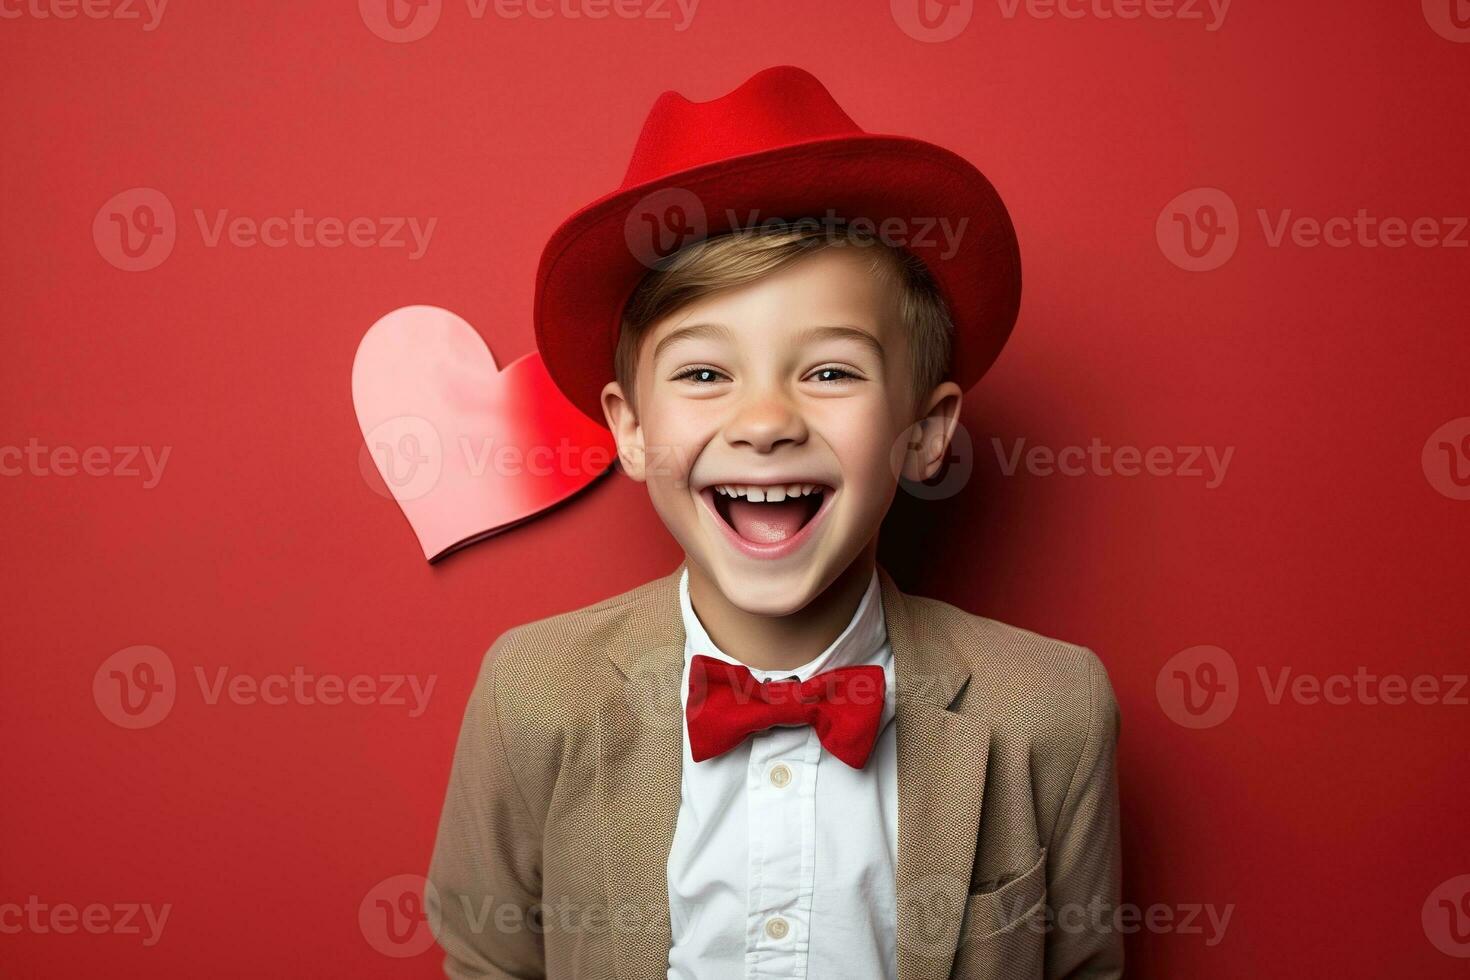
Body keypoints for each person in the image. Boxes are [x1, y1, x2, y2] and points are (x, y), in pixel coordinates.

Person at [427, 64, 1123, 980]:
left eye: (830, 372)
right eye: (705, 374)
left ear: (924, 431)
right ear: (629, 429)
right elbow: (486, 962)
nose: (764, 423)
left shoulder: (1051, 711)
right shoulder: (533, 694)